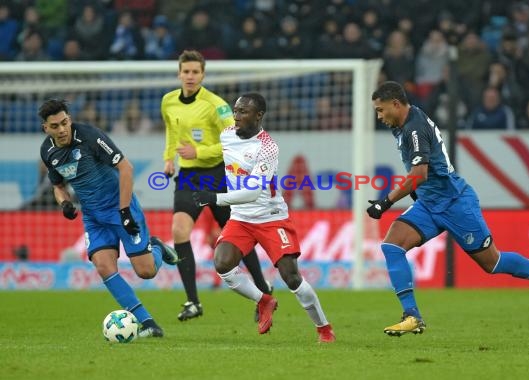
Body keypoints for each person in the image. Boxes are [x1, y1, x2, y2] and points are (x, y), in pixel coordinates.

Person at [367, 81, 529, 336]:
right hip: (429, 204)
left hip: (455, 204)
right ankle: (412, 315)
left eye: (381, 110)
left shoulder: (414, 129)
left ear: (396, 104)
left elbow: (419, 173)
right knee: (392, 245)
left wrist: (387, 201)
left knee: (492, 264)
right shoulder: (404, 124)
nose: (379, 116)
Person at [192, 93, 336, 343]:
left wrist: (215, 198)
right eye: (235, 111)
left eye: (244, 112)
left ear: (259, 115)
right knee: (222, 263)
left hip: (271, 217)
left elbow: (253, 191)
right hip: (241, 218)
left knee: (291, 277)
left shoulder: (267, 147)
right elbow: (218, 159)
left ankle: (324, 328)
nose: (237, 116)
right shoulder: (226, 134)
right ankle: (264, 300)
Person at [39, 99, 179, 338]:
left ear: (69, 119)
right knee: (104, 266)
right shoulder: (48, 152)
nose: (62, 129)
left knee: (146, 272)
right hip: (93, 217)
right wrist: (64, 203)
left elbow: (126, 168)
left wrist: (124, 211)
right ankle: (148, 323)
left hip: (121, 208)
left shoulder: (90, 136)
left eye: (64, 123)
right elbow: (58, 185)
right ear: (46, 128)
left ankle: (155, 247)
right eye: (55, 126)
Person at [161, 50, 272, 322]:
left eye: (195, 72)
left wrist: (197, 152)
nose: (189, 76)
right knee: (179, 231)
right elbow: (172, 132)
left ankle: (263, 290)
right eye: (185, 71)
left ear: (202, 75)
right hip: (188, 177)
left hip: (218, 175)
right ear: (179, 73)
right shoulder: (169, 101)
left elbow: (233, 140)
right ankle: (192, 302)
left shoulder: (217, 105)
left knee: (236, 235)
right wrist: (169, 158)